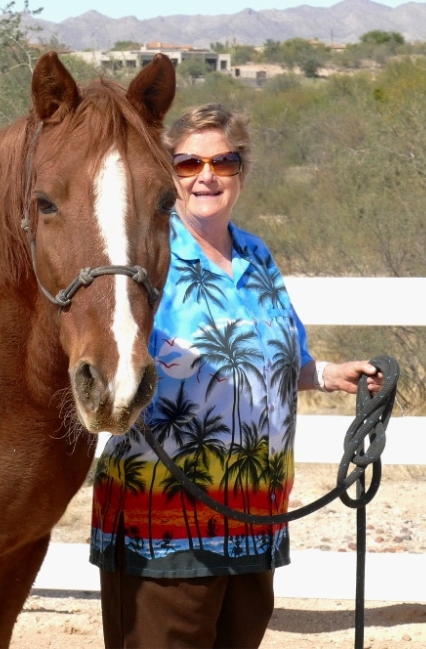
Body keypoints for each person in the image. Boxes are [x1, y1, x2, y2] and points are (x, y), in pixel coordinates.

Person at [89, 103, 384, 649]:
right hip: (166, 524)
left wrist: (328, 373)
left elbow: (277, 358)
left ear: (240, 172)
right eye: (188, 164)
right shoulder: (143, 257)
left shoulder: (256, 253)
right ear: (166, 172)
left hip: (255, 516)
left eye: (223, 162)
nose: (206, 177)